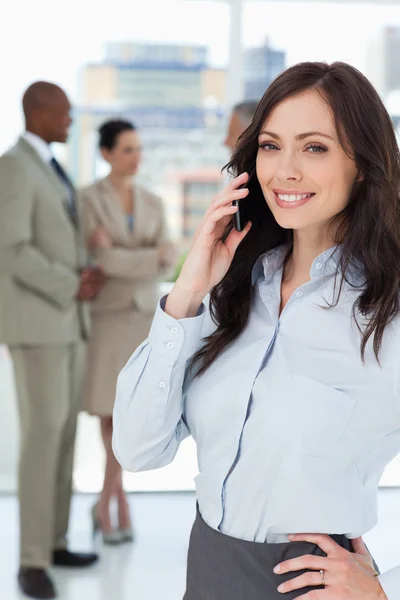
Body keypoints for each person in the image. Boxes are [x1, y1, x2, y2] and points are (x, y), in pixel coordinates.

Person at [111, 61, 400, 600]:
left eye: (314, 148)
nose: (284, 170)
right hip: (209, 573)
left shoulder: (387, 313)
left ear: (362, 163)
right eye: (270, 146)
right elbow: (137, 448)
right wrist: (186, 295)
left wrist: (383, 587)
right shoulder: (231, 292)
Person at [0, 82, 103, 599]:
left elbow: (53, 238)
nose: (69, 120)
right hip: (38, 326)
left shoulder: (54, 167)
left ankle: (56, 541)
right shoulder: (14, 166)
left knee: (63, 438)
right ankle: (31, 560)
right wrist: (71, 284)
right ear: (37, 111)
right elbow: (12, 249)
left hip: (66, 323)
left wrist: (84, 271)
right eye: (63, 113)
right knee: (42, 441)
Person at [78, 119, 178, 545]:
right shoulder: (86, 200)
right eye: (126, 150)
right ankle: (113, 503)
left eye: (139, 149)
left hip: (142, 320)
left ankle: (107, 502)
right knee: (107, 412)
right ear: (105, 153)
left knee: (128, 413)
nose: (135, 157)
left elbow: (168, 259)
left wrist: (120, 256)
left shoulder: (154, 200)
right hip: (107, 318)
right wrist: (141, 256)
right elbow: (101, 261)